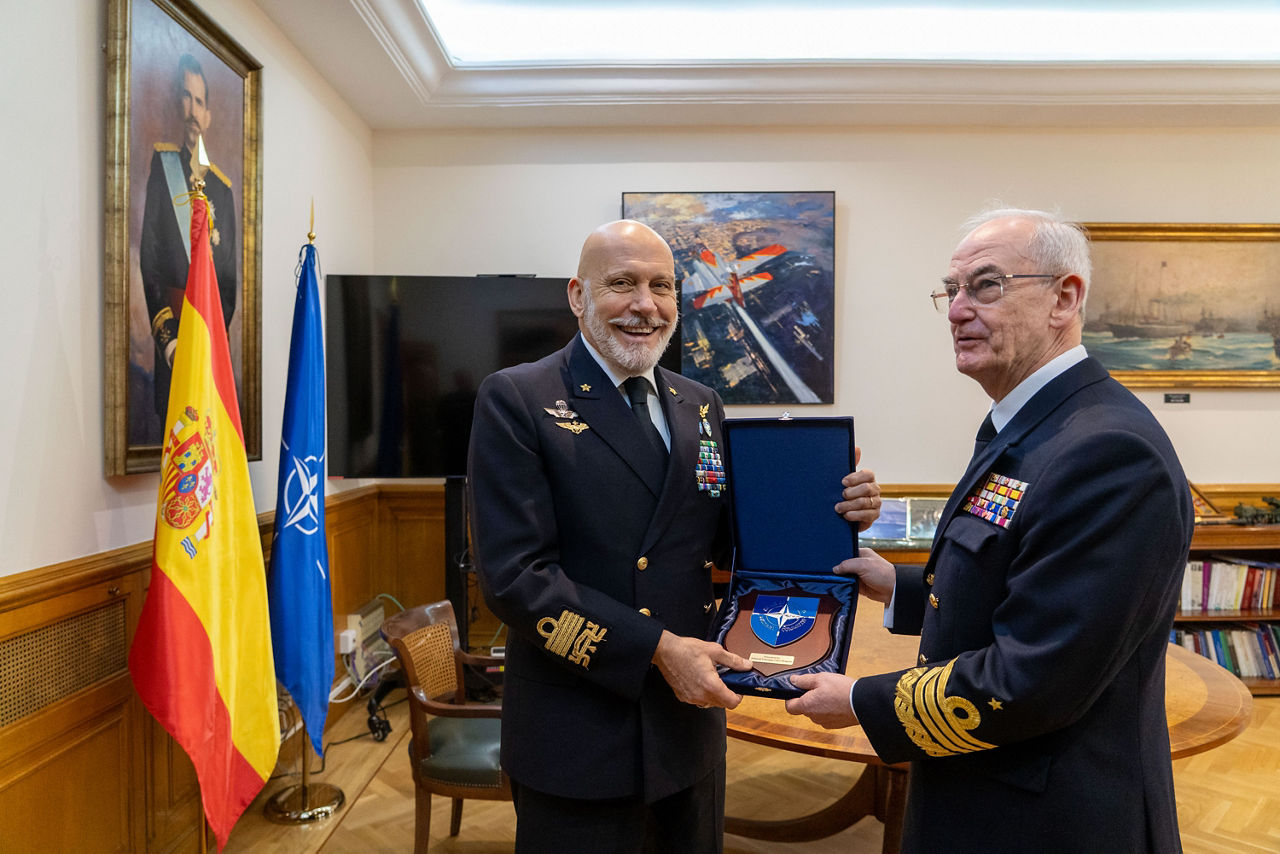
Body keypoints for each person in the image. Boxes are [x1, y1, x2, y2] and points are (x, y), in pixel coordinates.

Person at [785, 208, 1193, 853]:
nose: (955, 311)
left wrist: (864, 701)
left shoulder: (1108, 451)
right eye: (952, 291)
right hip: (989, 781)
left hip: (1048, 814)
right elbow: (1015, 575)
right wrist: (900, 586)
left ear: (1065, 297)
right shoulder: (1035, 425)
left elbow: (1037, 676)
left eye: (986, 286)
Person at [466, 219, 880, 853]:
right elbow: (516, 580)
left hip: (689, 726)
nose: (645, 305)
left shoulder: (699, 401)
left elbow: (721, 538)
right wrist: (657, 649)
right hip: (579, 727)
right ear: (578, 296)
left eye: (662, 286)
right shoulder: (520, 397)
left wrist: (827, 512)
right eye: (622, 283)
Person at [140, 53, 238, 420]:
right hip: (175, 349)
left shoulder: (223, 192)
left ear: (208, 113)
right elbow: (149, 262)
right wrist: (173, 343)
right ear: (177, 104)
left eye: (200, 101)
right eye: (186, 97)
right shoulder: (162, 167)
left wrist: (205, 342)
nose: (193, 110)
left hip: (209, 351)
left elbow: (227, 283)